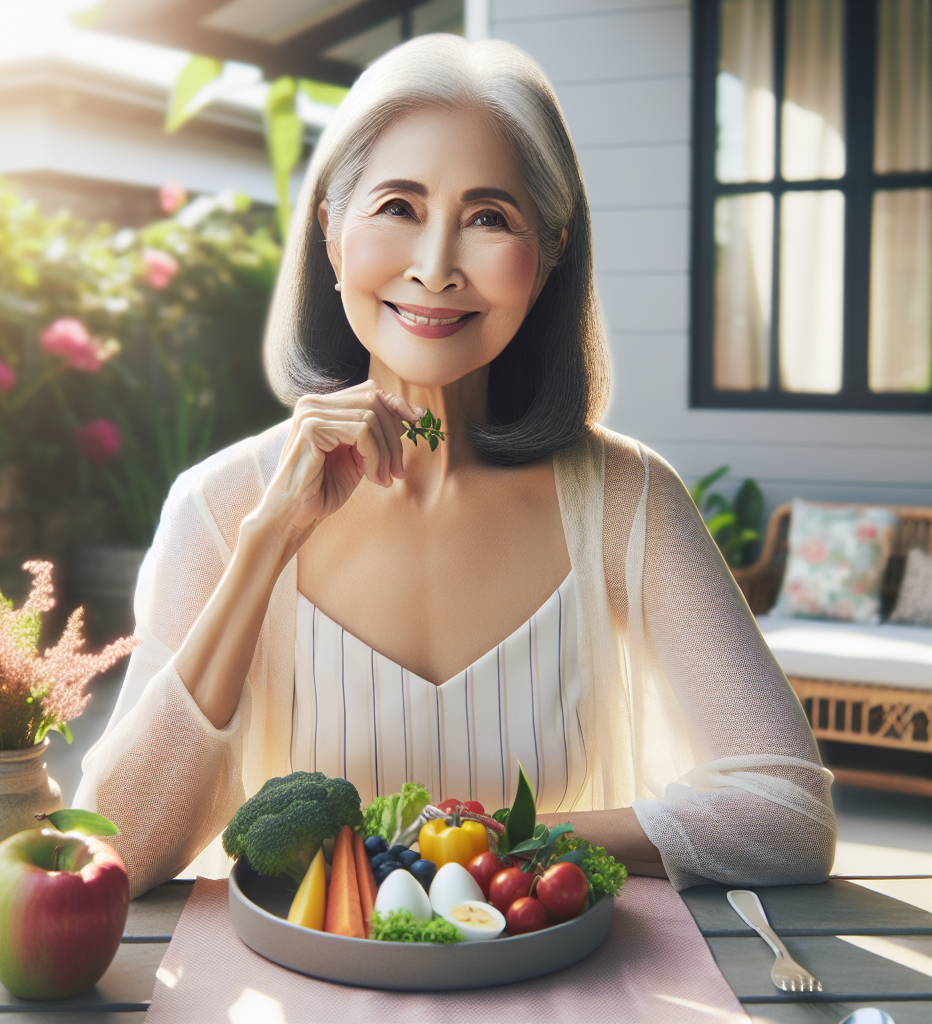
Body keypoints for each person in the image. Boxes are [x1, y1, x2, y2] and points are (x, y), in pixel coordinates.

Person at [74, 34, 836, 898]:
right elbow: (115, 851)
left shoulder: (626, 499)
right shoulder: (222, 506)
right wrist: (263, 548)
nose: (435, 268)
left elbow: (789, 815)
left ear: (547, 256)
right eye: (397, 205)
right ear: (331, 230)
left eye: (488, 218)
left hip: (554, 984)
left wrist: (482, 842)